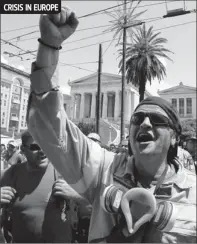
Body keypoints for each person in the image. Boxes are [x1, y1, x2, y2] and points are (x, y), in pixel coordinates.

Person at [26, 8, 196, 243]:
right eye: (137, 119)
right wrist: (49, 46)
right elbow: (48, 126)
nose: (145, 123)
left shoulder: (193, 191)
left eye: (156, 120)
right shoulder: (104, 169)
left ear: (176, 137)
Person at [0, 130, 90, 243]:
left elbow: (97, 206)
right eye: (35, 147)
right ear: (23, 150)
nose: (42, 151)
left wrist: (76, 196)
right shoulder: (12, 174)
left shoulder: (65, 173)